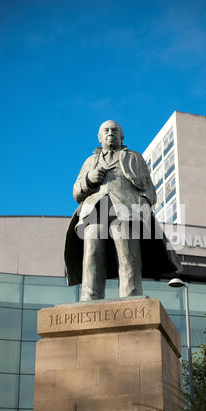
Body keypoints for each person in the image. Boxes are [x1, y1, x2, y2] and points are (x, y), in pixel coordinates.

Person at [64, 120, 181, 300]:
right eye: (106, 130)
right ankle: (89, 299)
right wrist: (89, 179)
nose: (110, 133)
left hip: (126, 211)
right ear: (100, 137)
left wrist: (140, 206)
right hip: (94, 212)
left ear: (121, 136)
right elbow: (76, 192)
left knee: (129, 256)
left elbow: (150, 191)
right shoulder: (90, 161)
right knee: (91, 256)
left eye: (115, 130)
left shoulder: (134, 157)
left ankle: (131, 297)